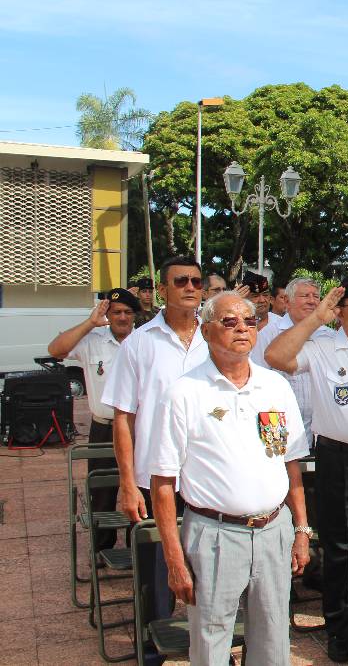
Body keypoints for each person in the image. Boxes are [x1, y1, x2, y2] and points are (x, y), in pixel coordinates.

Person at [149, 293, 311, 666]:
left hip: (274, 529)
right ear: (206, 331)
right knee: (211, 640)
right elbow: (162, 483)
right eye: (229, 321)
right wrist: (174, 559)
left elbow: (291, 463)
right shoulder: (183, 393)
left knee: (273, 638)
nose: (241, 328)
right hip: (214, 534)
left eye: (249, 321)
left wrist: (301, 530)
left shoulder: (275, 386)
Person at [264, 273, 348, 661]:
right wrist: (314, 319)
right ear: (340, 313)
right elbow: (275, 357)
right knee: (343, 551)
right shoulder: (322, 346)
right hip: (341, 461)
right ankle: (341, 630)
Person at [102, 256, 209, 666]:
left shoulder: (215, 341)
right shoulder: (139, 344)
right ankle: (151, 650)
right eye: (180, 280)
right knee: (155, 573)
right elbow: (123, 419)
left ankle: (210, 646)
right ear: (162, 290)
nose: (190, 287)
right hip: (154, 478)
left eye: (196, 281)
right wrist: (127, 483)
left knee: (208, 569)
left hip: (206, 477)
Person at [47, 288, 141, 552]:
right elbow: (55, 350)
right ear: (107, 314)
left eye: (127, 312)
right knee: (101, 491)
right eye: (116, 312)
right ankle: (102, 549)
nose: (122, 317)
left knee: (141, 489)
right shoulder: (93, 340)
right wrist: (90, 323)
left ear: (134, 315)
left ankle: (138, 550)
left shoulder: (145, 342)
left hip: (140, 429)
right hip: (104, 428)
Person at [251, 277, 329, 438]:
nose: (311, 301)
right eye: (305, 296)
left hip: (322, 432)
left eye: (315, 296)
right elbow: (257, 384)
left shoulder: (329, 336)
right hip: (281, 426)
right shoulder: (268, 334)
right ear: (287, 301)